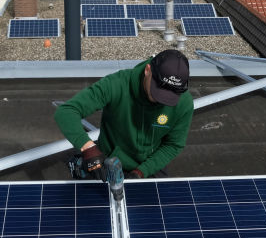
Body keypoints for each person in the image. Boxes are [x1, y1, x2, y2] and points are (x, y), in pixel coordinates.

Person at [54, 49, 193, 179]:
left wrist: (141, 172)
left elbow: (173, 145)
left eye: (170, 95)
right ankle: (80, 162)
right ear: (147, 70)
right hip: (108, 160)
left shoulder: (184, 102)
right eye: (158, 90)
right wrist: (89, 149)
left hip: (149, 163)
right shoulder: (117, 84)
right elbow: (66, 111)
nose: (161, 99)